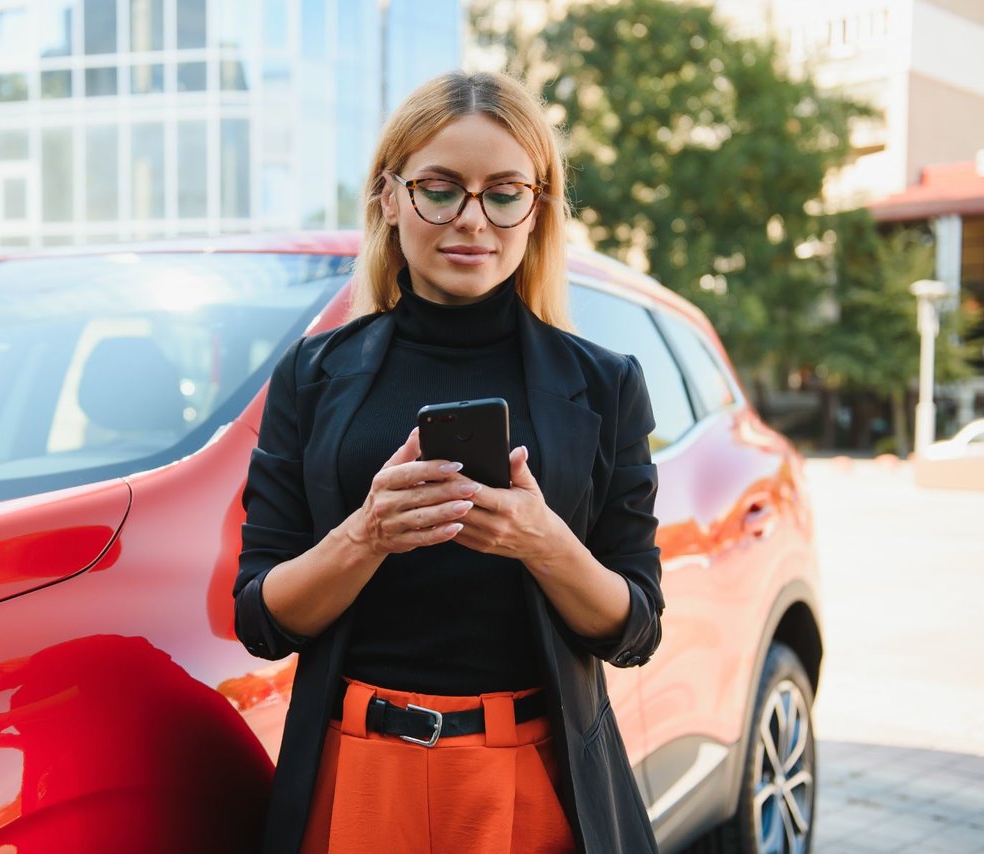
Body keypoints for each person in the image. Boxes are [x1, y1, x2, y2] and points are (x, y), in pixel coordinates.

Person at [233, 70, 663, 854]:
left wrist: (545, 543)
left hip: (533, 781)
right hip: (357, 776)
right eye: (440, 188)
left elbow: (635, 628)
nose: (473, 220)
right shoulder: (312, 375)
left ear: (537, 209)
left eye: (504, 193)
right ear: (390, 198)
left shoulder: (604, 385)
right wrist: (366, 535)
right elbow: (261, 617)